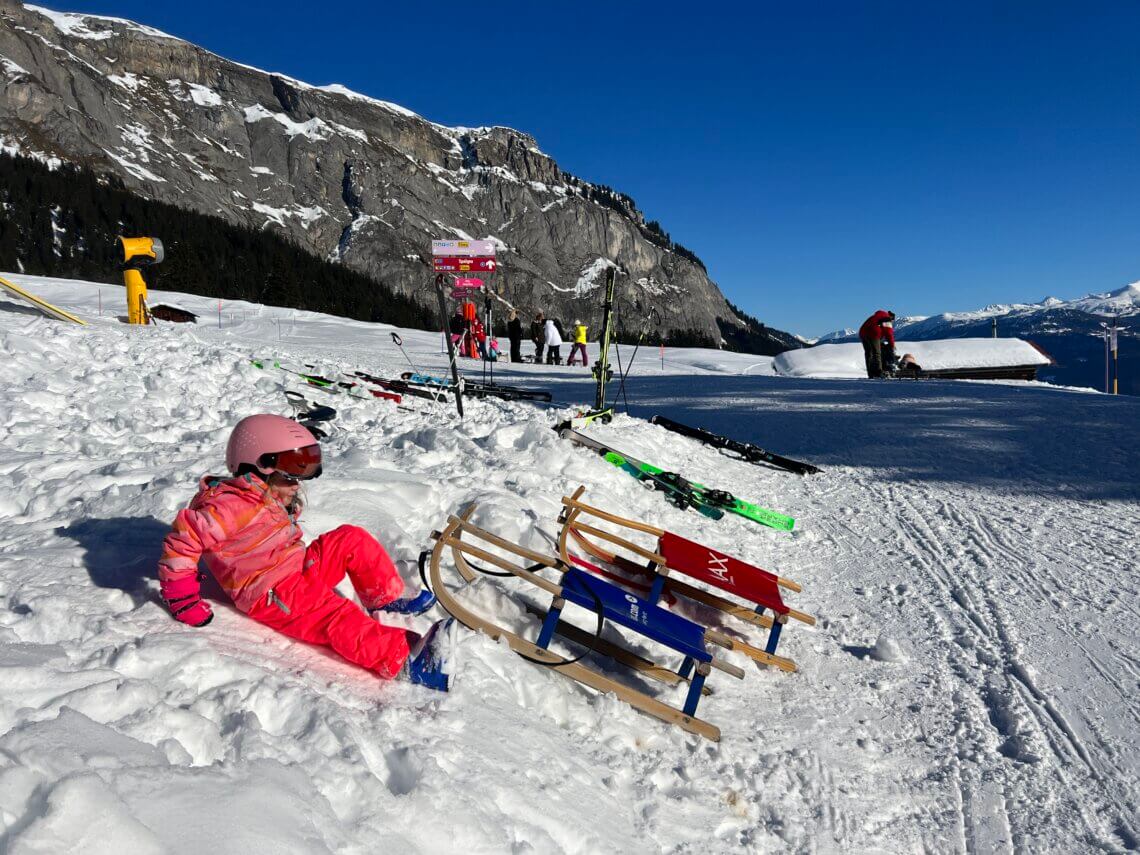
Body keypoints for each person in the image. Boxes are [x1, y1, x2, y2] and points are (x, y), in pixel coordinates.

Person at [156, 414, 451, 690]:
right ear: (259, 467)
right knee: (335, 615)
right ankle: (406, 661)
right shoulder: (227, 507)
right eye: (289, 478)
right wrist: (182, 596)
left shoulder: (259, 494)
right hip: (271, 592)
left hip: (294, 567)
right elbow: (183, 540)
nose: (296, 486)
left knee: (349, 538)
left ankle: (383, 598)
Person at [858, 310, 896, 378]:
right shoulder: (887, 319)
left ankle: (870, 374)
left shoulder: (876, 316)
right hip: (874, 332)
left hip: (863, 332)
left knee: (868, 353)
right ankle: (878, 372)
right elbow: (889, 334)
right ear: (891, 317)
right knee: (877, 353)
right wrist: (892, 346)